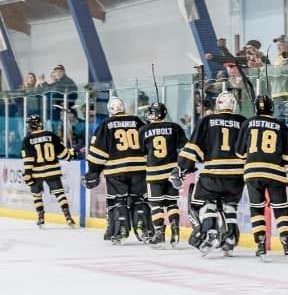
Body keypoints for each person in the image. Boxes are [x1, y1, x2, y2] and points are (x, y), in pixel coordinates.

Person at [174, 92, 247, 256]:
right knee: (230, 206)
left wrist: (182, 167)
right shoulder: (243, 121)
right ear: (234, 105)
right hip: (237, 175)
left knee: (206, 202)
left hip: (213, 172)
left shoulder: (207, 120)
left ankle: (210, 230)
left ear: (217, 105)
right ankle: (230, 238)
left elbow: (193, 147)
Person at [234, 95, 288, 262]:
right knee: (281, 209)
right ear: (272, 108)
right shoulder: (281, 125)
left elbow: (239, 152)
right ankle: (287, 245)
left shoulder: (247, 123)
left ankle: (261, 245)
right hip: (275, 173)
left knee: (257, 209)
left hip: (253, 172)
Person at [85, 97, 149, 245]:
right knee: (139, 199)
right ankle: (143, 228)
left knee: (118, 200)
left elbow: (98, 151)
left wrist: (93, 171)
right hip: (139, 169)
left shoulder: (106, 124)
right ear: (123, 107)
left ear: (110, 110)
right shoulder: (137, 121)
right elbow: (148, 143)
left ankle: (121, 230)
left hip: (116, 171)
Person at [139, 103, 187, 248]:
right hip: (172, 172)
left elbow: (142, 152)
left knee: (156, 205)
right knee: (172, 203)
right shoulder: (175, 127)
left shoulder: (144, 130)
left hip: (154, 173)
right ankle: (175, 231)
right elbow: (184, 147)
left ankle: (159, 235)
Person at [21, 114, 76, 228]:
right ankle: (68, 218)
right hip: (53, 171)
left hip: (36, 173)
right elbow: (63, 154)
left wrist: (27, 174)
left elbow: (28, 160)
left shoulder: (27, 139)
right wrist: (71, 154)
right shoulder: (51, 135)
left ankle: (41, 218)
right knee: (60, 194)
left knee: (37, 195)